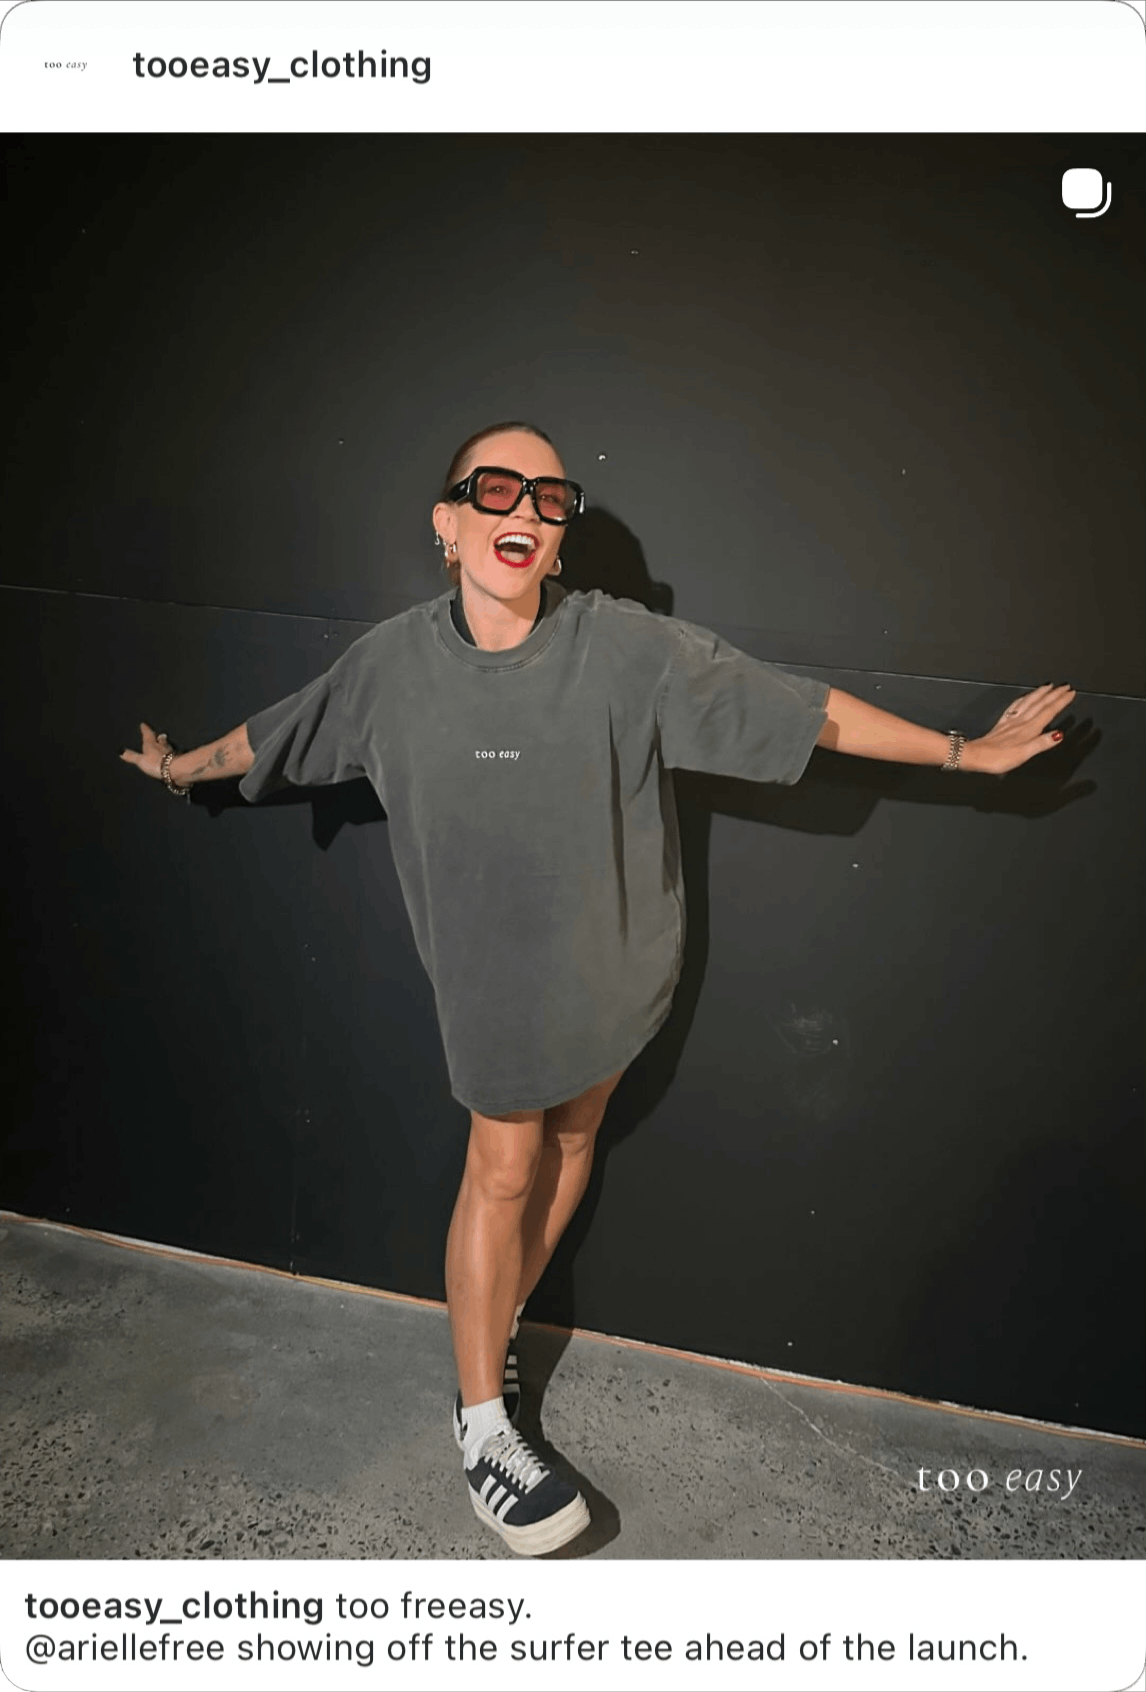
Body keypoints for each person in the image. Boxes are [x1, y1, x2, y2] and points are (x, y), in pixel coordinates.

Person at [121, 421, 1074, 1556]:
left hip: (614, 975)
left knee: (571, 1150)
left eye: (550, 499)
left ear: (562, 540)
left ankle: (497, 1326)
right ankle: (484, 1424)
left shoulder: (625, 648)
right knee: (504, 1161)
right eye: (495, 490)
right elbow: (276, 736)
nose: (523, 511)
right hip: (491, 992)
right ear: (446, 522)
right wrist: (182, 769)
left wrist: (966, 754)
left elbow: (801, 712)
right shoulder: (388, 665)